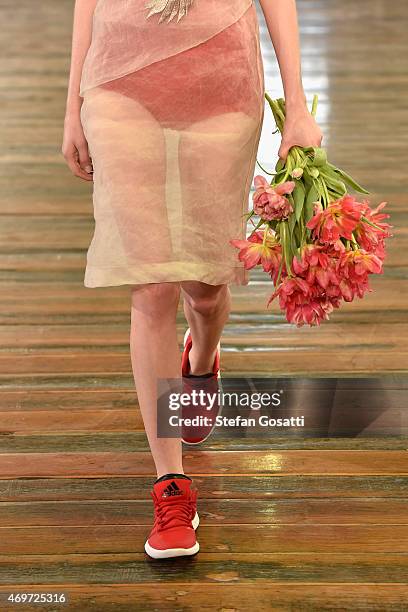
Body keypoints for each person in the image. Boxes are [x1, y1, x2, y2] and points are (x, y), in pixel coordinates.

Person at [62, 0, 322, 559]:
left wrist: (296, 105)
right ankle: (171, 485)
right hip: (119, 77)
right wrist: (72, 105)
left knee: (205, 288)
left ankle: (201, 360)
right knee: (152, 282)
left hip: (221, 80)